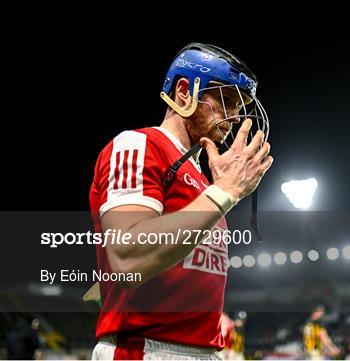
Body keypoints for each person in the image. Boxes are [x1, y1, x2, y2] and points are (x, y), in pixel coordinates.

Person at [89, 43, 273, 360]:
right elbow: (127, 259)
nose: (233, 117)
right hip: (144, 348)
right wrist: (223, 193)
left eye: (238, 107)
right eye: (225, 100)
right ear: (185, 91)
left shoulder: (203, 181)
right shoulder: (138, 144)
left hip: (202, 351)